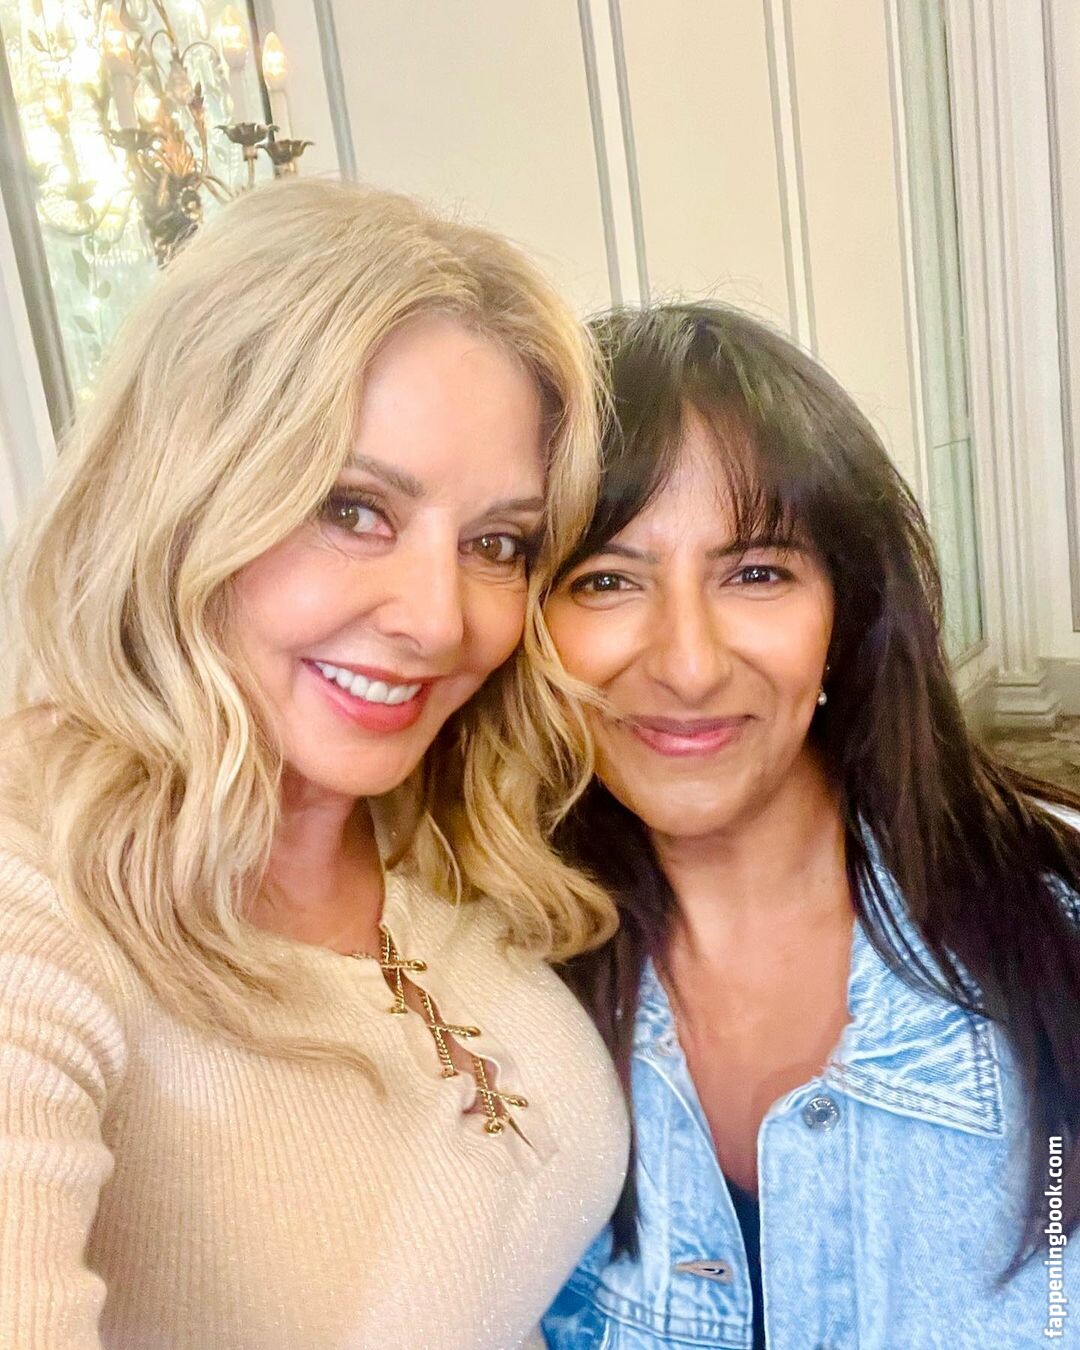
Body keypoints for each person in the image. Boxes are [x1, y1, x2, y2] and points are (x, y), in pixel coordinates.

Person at [0, 179, 628, 1349]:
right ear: (179, 494)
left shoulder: (442, 817)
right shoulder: (35, 897)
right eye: (353, 509)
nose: (438, 621)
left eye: (496, 542)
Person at [539, 303, 1080, 1348]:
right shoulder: (487, 994)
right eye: (606, 580)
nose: (688, 664)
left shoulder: (1058, 929)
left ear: (846, 611)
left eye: (756, 574)